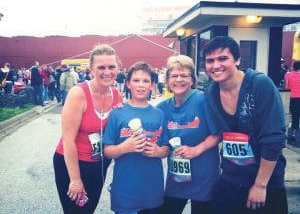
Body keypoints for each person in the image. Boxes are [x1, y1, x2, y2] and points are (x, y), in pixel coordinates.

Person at [203, 36, 287, 214]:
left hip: (265, 179)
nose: (215, 65)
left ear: (237, 59)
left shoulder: (259, 84)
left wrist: (260, 185)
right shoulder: (211, 91)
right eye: (210, 61)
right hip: (231, 177)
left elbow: (274, 139)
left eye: (223, 58)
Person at [53, 44, 123, 214]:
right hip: (73, 163)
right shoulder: (79, 94)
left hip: (99, 164)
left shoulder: (116, 95)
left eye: (111, 67)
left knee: (88, 209)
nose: (107, 72)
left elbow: (114, 133)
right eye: (101, 67)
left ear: (118, 68)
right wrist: (75, 180)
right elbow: (67, 139)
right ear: (91, 70)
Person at [103, 61, 169, 214]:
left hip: (153, 191)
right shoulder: (117, 114)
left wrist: (158, 152)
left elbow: (166, 148)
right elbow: (107, 150)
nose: (141, 85)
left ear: (152, 84)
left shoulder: (159, 114)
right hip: (126, 192)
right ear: (127, 84)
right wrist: (124, 147)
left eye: (146, 81)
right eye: (136, 80)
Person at [157, 55, 220, 214]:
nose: (179, 79)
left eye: (184, 75)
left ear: (192, 80)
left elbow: (218, 133)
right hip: (177, 176)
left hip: (203, 174)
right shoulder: (162, 108)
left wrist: (196, 150)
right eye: (174, 76)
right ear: (167, 80)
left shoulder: (203, 100)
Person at [284, 60, 300, 141]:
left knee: (288, 114)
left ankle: (285, 132)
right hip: (299, 98)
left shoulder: (288, 75)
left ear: (293, 66)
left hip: (290, 97)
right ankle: (293, 134)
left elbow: (286, 87)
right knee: (296, 116)